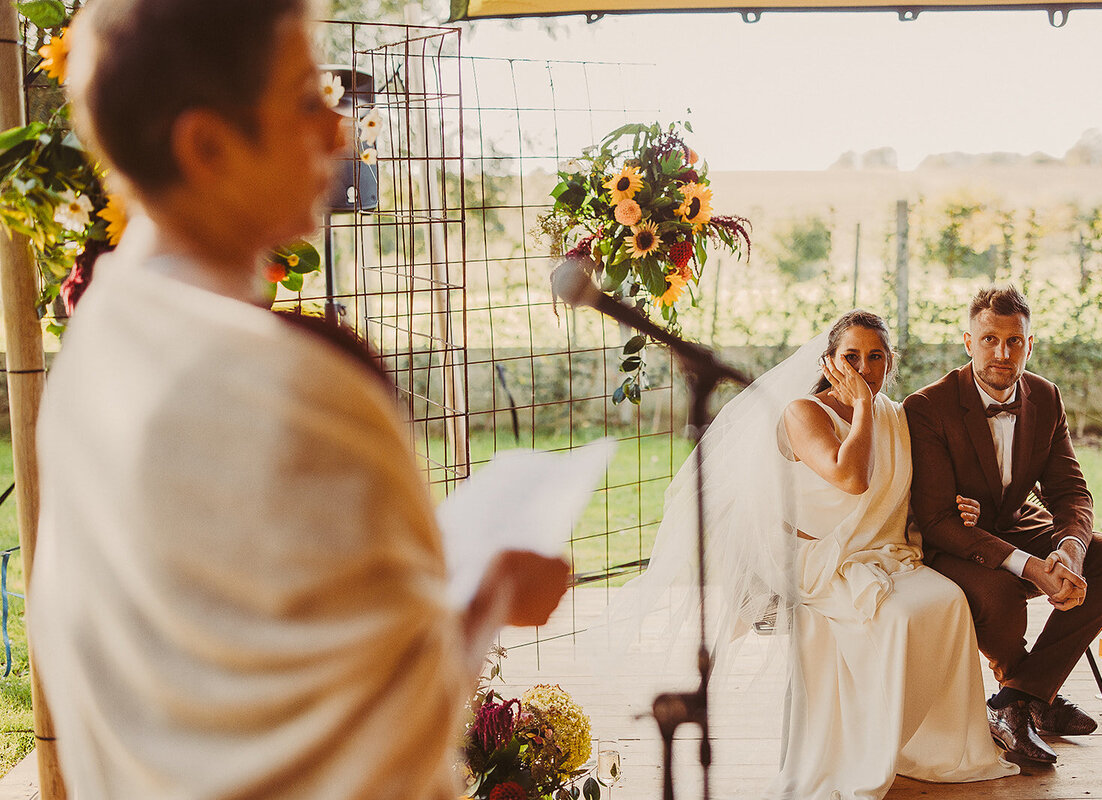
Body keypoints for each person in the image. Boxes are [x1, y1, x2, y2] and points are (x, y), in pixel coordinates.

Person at [27, 2, 569, 798]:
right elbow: (391, 708)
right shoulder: (297, 380)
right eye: (306, 99)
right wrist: (494, 591)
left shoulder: (100, 339)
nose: (338, 133)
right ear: (208, 145)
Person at [606, 311, 1016, 800]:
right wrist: (862, 408)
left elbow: (907, 493)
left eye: (876, 357)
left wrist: (955, 505)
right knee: (901, 614)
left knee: (948, 603)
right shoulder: (804, 412)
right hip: (817, 559)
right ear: (828, 360)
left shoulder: (896, 415)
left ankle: (935, 750)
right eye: (851, 356)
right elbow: (852, 478)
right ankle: (865, 752)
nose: (863, 368)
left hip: (883, 551)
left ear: (890, 363)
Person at [904, 285, 1102, 765]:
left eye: (1014, 341)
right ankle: (1034, 700)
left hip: (1015, 522)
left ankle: (1015, 701)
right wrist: (1031, 567)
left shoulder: (1046, 397)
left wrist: (1069, 552)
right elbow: (936, 520)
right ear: (968, 342)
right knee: (1001, 592)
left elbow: (1070, 492)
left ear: (1030, 344)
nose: (1002, 353)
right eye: (989, 340)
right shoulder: (928, 407)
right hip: (954, 539)